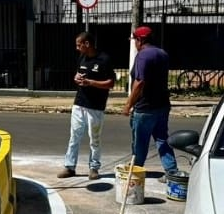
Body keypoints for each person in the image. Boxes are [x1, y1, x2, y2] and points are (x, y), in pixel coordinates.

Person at [57, 31, 116, 180]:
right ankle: (69, 167)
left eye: (79, 45)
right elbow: (78, 73)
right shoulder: (82, 57)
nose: (77, 48)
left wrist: (91, 82)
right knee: (74, 137)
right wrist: (77, 78)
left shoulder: (104, 59)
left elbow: (110, 83)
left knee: (94, 138)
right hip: (79, 103)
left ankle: (94, 168)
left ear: (87, 44)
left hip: (95, 106)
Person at [122, 26, 178, 181]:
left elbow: (139, 83)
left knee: (140, 143)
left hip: (145, 107)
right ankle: (172, 171)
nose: (134, 44)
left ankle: (136, 171)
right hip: (162, 105)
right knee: (162, 139)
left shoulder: (142, 56)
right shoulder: (162, 54)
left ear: (140, 40)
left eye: (135, 40)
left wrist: (128, 105)